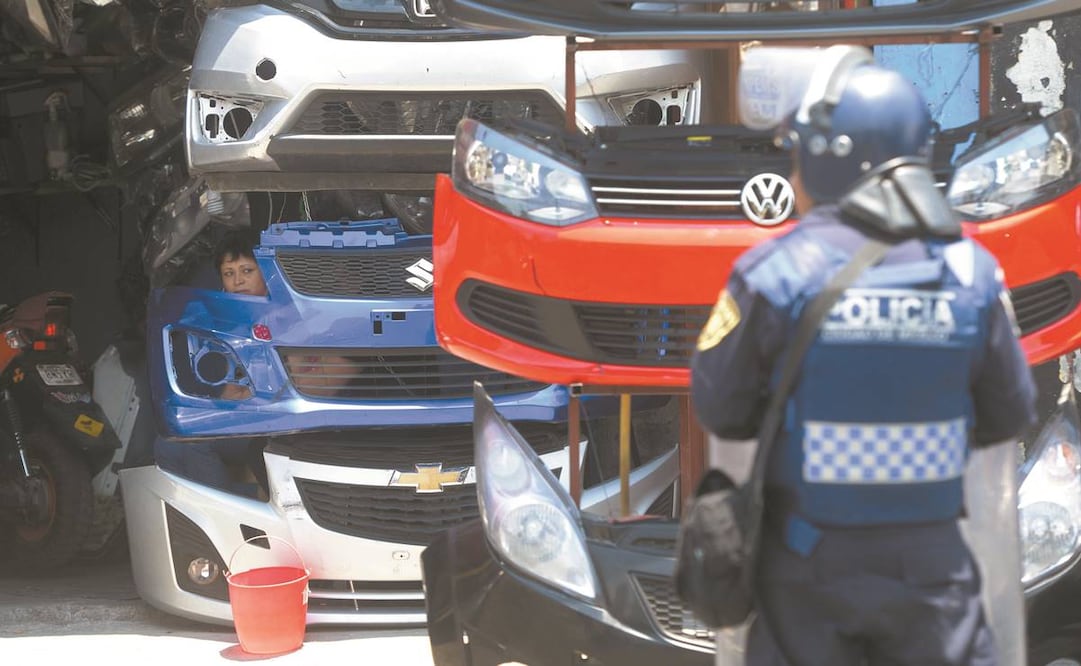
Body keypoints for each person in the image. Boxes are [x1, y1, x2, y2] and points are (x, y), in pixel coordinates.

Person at [691, 46, 1037, 666]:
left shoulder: (772, 276)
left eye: (797, 153)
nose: (791, 175)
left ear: (830, 157)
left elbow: (722, 410)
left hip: (807, 576)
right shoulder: (970, 275)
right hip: (933, 575)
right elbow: (1008, 416)